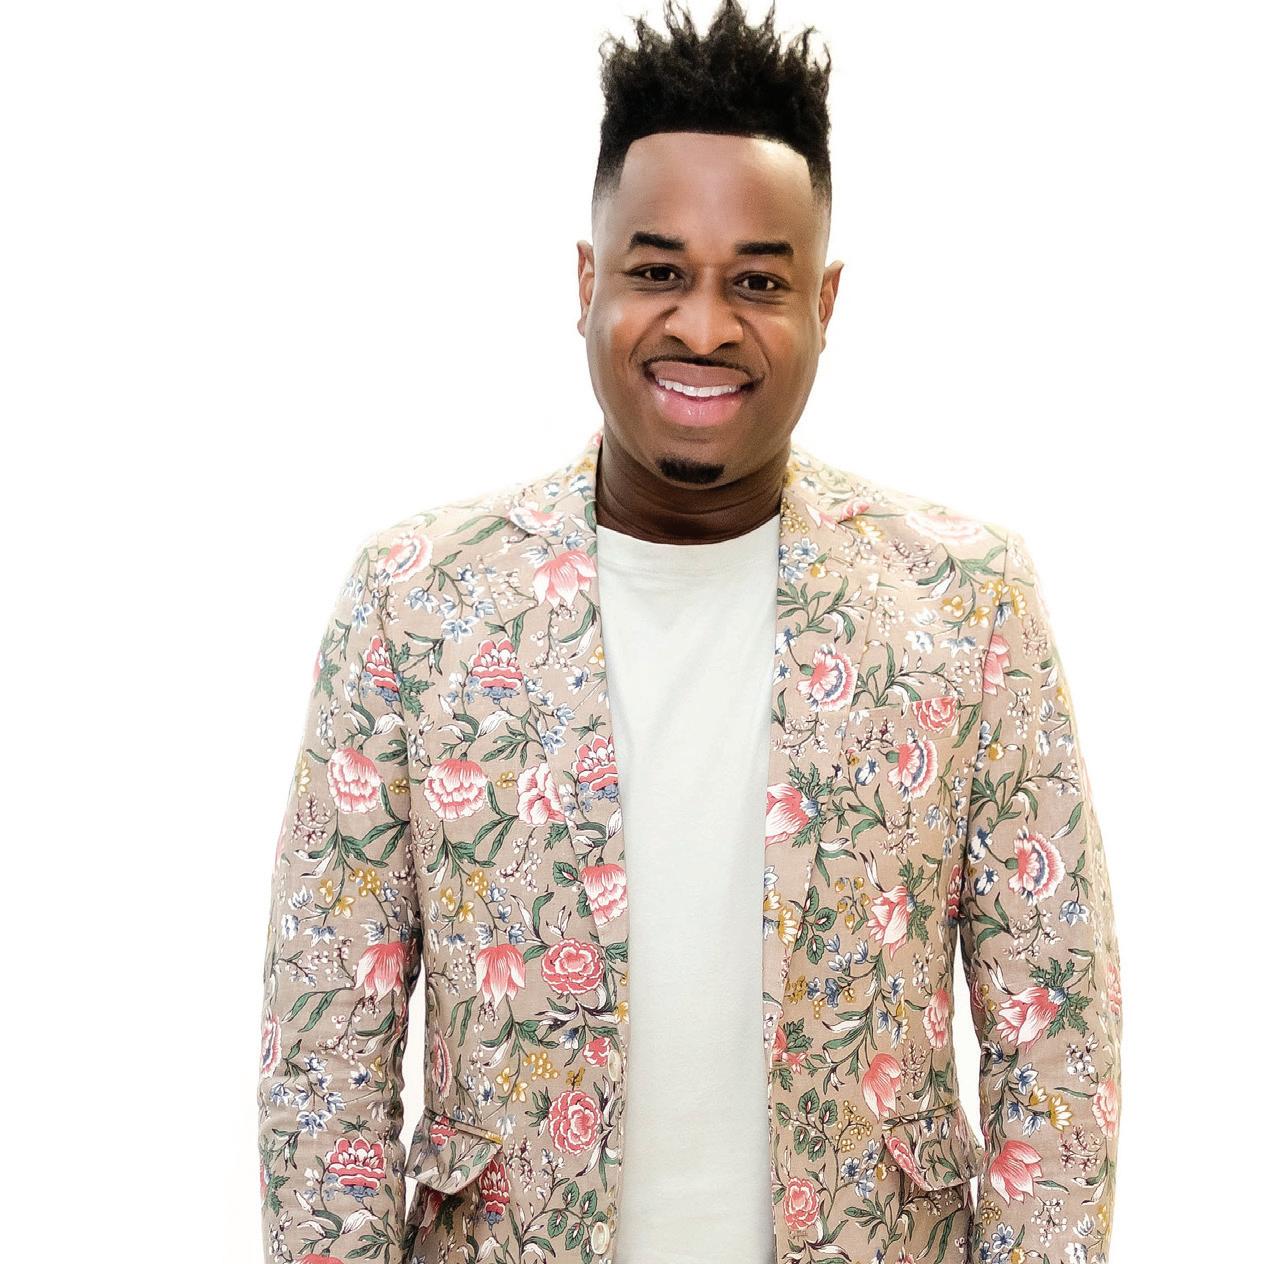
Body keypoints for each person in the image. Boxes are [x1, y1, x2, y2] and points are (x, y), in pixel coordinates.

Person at [256, 3, 1122, 1261]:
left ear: (824, 300)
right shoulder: (416, 602)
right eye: (659, 271)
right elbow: (324, 1064)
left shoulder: (966, 602)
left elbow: (1057, 1046)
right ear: (586, 283)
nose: (705, 327)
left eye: (757, 281)